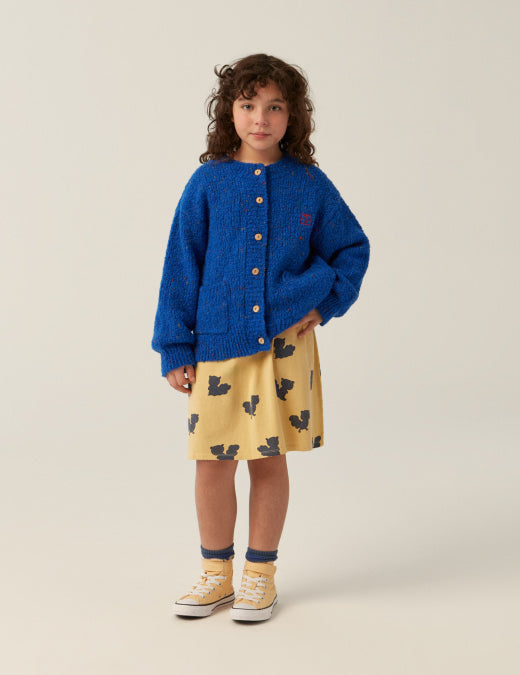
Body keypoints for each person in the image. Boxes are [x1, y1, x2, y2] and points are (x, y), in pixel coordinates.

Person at [151, 53, 370, 622]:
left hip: (284, 346)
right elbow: (181, 266)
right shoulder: (207, 183)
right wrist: (175, 345)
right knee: (211, 462)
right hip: (218, 346)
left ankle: (260, 577)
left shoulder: (309, 184)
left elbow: (352, 248)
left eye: (275, 107)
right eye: (249, 105)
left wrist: (325, 303)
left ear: (293, 116)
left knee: (268, 460)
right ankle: (215, 574)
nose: (261, 118)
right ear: (229, 112)